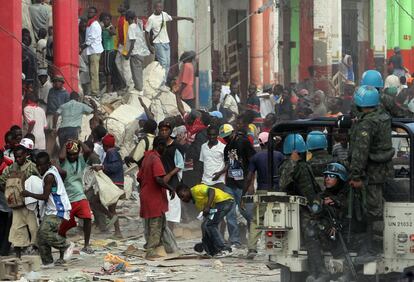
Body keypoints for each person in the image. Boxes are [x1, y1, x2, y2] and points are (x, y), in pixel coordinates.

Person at [349, 85, 394, 264]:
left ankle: (370, 249)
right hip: (382, 172)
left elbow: (360, 152)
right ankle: (371, 247)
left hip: (369, 175)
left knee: (370, 212)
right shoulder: (383, 117)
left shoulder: (366, 123)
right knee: (375, 209)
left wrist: (355, 176)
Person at [279, 134, 323, 281]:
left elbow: (313, 188)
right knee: (311, 237)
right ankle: (317, 271)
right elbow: (284, 184)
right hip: (304, 209)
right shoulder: (292, 166)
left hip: (307, 207)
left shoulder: (300, 165)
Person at [21, 152, 72, 267]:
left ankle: (66, 245)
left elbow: (44, 196)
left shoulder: (49, 176)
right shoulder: (52, 169)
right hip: (52, 210)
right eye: (37, 165)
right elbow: (64, 173)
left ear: (48, 164)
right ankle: (47, 262)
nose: (39, 168)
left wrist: (28, 193)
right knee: (40, 236)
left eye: (41, 165)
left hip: (58, 210)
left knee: (45, 232)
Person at [304, 163, 351, 282]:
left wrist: (337, 203)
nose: (327, 178)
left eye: (332, 176)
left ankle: (347, 273)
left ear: (340, 179)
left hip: (347, 233)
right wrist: (322, 205)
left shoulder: (349, 195)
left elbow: (354, 214)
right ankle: (320, 271)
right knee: (310, 230)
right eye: (326, 176)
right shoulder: (322, 196)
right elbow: (315, 212)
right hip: (328, 233)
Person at [244, 132, 284, 259]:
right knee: (279, 220)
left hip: (262, 191)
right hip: (278, 192)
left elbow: (249, 177)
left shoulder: (255, 157)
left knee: (257, 220)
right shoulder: (279, 155)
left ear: (260, 143)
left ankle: (252, 248)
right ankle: (280, 247)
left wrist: (243, 194)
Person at [137, 136, 176, 259]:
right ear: (160, 146)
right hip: (154, 197)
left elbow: (139, 177)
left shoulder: (147, 157)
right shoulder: (156, 159)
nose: (165, 149)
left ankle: (158, 246)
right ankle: (151, 250)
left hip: (146, 194)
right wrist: (170, 188)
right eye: (164, 147)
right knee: (156, 224)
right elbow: (158, 178)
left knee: (155, 223)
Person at [0, 145, 40, 258]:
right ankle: (18, 255)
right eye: (16, 157)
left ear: (25, 155)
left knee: (33, 228)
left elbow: (39, 181)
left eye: (20, 156)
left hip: (30, 204)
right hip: (17, 205)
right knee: (17, 229)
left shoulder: (32, 167)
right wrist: (8, 193)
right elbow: (1, 181)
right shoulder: (11, 168)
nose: (18, 159)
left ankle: (38, 251)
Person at [56, 141, 94, 254]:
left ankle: (86, 245)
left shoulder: (81, 161)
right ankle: (63, 248)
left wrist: (79, 142)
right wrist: (65, 143)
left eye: (75, 154)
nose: (72, 156)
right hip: (67, 199)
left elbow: (87, 151)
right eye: (70, 154)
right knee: (63, 227)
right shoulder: (63, 162)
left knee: (88, 218)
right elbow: (61, 156)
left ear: (78, 153)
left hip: (80, 196)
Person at [220, 123, 256, 242]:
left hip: (243, 184)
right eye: (224, 137)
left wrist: (251, 184)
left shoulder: (243, 142)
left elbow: (253, 162)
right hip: (230, 183)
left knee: (246, 212)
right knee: (229, 212)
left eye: (227, 136)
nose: (226, 139)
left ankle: (254, 237)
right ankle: (234, 239)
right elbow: (228, 164)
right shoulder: (227, 148)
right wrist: (220, 173)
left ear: (233, 133)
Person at [176, 183, 234, 257]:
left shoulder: (196, 189)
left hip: (223, 201)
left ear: (186, 190)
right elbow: (206, 218)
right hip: (216, 206)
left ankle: (224, 249)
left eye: (182, 196)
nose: (183, 199)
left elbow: (211, 190)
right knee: (204, 225)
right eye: (181, 198)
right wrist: (204, 241)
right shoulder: (197, 202)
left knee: (210, 225)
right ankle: (211, 251)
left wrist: (207, 206)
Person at [145, 1, 194, 82]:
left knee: (167, 63)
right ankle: (161, 82)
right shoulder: (151, 19)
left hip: (166, 42)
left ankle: (163, 82)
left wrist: (185, 18)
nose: (160, 9)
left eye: (161, 7)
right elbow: (146, 33)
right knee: (163, 63)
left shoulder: (164, 14)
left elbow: (173, 18)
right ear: (154, 8)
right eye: (158, 7)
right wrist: (149, 46)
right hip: (158, 43)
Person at [93, 134, 124, 238]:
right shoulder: (114, 152)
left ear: (106, 146)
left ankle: (111, 218)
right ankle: (118, 232)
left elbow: (115, 167)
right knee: (112, 208)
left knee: (95, 201)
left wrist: (102, 167)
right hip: (115, 184)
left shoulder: (112, 153)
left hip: (114, 185)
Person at [125, 10, 150, 92]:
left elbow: (132, 42)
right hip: (140, 53)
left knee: (136, 72)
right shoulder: (136, 26)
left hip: (135, 53)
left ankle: (139, 88)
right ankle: (139, 87)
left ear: (127, 18)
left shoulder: (131, 27)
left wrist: (128, 54)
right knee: (139, 72)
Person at [83, 6, 103, 97]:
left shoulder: (94, 24)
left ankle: (95, 92)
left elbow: (91, 38)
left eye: (91, 12)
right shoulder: (90, 23)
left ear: (95, 14)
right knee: (92, 72)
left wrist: (83, 45)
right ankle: (94, 90)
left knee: (94, 72)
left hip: (94, 50)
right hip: (92, 50)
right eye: (88, 12)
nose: (89, 14)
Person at [46, 75, 69, 153]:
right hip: (49, 115)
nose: (55, 83)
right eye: (54, 82)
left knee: (56, 134)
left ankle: (58, 152)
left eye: (57, 81)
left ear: (62, 83)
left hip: (59, 117)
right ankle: (51, 151)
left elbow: (66, 108)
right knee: (49, 134)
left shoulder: (65, 94)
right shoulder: (51, 91)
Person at [115, 3, 133, 92]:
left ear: (125, 8)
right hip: (120, 45)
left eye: (121, 6)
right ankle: (127, 83)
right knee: (118, 62)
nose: (119, 7)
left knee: (126, 66)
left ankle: (129, 85)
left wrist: (129, 50)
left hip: (126, 46)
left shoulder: (127, 20)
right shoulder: (120, 19)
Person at [0, 150, 13, 256]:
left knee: (7, 227)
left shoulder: (7, 168)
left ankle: (4, 251)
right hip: (2, 203)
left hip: (7, 203)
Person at [100, 12, 117, 93]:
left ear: (110, 20)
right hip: (105, 50)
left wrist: (108, 29)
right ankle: (109, 86)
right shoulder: (102, 27)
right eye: (104, 19)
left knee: (108, 69)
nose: (105, 21)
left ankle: (109, 88)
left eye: (107, 19)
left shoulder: (110, 27)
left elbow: (114, 33)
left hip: (109, 50)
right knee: (106, 69)